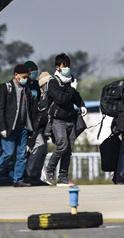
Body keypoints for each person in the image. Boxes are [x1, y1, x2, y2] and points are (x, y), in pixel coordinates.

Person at [42, 53, 87, 186]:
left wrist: (81, 105)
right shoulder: (53, 82)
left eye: (68, 65)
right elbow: (61, 99)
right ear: (58, 67)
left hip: (70, 119)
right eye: (64, 66)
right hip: (57, 119)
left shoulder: (71, 80)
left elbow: (75, 96)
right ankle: (49, 171)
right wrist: (72, 90)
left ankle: (63, 177)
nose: (67, 68)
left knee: (69, 149)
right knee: (62, 145)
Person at [0, 64, 34, 187]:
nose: (26, 79)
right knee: (8, 153)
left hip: (23, 127)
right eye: (24, 76)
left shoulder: (27, 89)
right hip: (9, 128)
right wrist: (2, 127)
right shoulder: (5, 87)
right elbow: (0, 109)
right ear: (16, 75)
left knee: (21, 155)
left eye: (27, 77)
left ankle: (18, 179)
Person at [26, 71, 52, 184]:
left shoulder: (49, 95)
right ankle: (29, 174)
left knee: (44, 151)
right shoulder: (36, 95)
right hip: (34, 128)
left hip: (42, 128)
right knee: (39, 146)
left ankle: (36, 175)